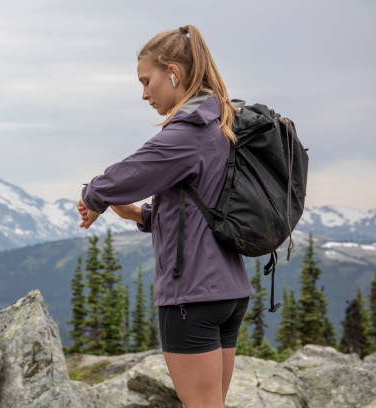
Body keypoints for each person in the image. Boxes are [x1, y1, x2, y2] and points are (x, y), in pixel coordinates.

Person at [76, 25, 254, 408]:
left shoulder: (188, 131)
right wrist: (142, 215)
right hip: (228, 291)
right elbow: (203, 205)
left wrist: (93, 195)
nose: (144, 94)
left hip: (192, 296)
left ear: (173, 72)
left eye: (146, 81)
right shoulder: (219, 120)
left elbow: (130, 172)